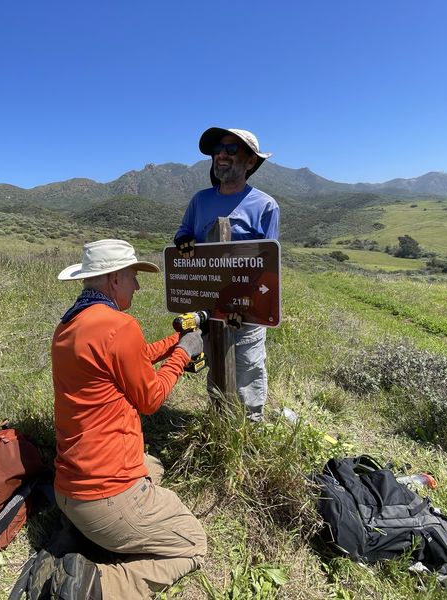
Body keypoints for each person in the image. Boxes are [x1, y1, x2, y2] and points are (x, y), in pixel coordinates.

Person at [49, 239, 207, 600]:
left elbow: (129, 360)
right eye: (133, 276)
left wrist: (176, 342)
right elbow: (150, 399)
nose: (137, 285)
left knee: (150, 464)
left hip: (69, 490)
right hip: (104, 498)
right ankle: (98, 586)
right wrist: (182, 355)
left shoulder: (69, 326)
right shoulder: (119, 326)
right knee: (193, 543)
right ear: (114, 279)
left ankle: (80, 531)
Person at [174, 127, 280, 421]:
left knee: (246, 368)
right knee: (217, 364)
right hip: (209, 306)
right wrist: (183, 241)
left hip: (246, 311)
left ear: (250, 162)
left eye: (232, 149)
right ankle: (220, 424)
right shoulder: (200, 201)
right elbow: (184, 232)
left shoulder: (265, 206)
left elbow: (267, 267)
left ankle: (248, 432)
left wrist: (245, 308)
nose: (221, 153)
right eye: (218, 149)